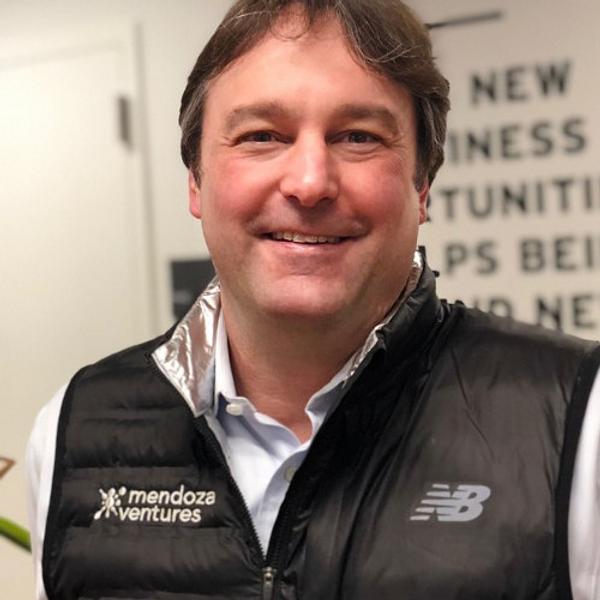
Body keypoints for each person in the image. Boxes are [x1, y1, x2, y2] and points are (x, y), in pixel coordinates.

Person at [27, 0, 600, 598]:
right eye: (261, 136)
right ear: (195, 180)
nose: (309, 182)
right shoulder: (74, 426)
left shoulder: (578, 421)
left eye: (358, 137)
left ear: (422, 186)